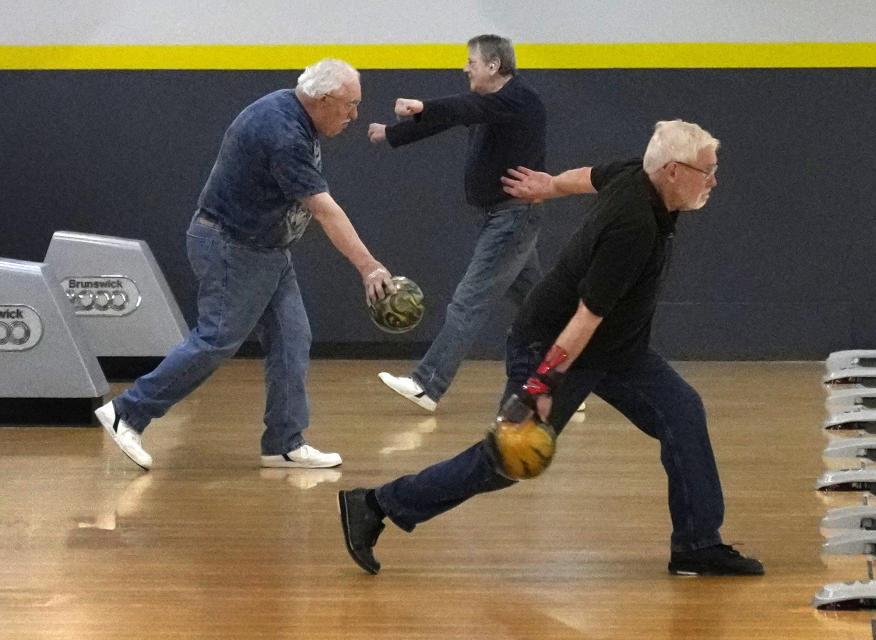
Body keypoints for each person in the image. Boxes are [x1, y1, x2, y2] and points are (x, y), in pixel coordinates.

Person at [338, 120, 764, 577]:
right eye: (708, 170)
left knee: (683, 412)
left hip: (616, 351)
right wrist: (541, 382)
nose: (714, 181)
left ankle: (697, 546)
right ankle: (375, 504)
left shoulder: (636, 173)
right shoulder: (633, 227)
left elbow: (586, 176)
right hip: (553, 346)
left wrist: (550, 185)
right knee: (505, 462)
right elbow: (585, 317)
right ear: (674, 171)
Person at [96, 59, 395, 471]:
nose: (354, 115)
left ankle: (284, 442)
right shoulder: (283, 132)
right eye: (350, 105)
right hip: (231, 246)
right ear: (323, 99)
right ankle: (127, 411)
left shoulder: (294, 112)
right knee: (216, 339)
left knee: (292, 339)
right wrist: (369, 266)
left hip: (267, 249)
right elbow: (325, 211)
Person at [368, 34, 546, 413]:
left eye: (471, 61)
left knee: (468, 301)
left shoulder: (519, 99)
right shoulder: (493, 105)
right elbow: (453, 117)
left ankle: (426, 384)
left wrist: (422, 105)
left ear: (494, 66)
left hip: (512, 218)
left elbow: (459, 108)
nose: (465, 67)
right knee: (540, 305)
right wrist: (392, 133)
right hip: (505, 217)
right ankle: (563, 384)